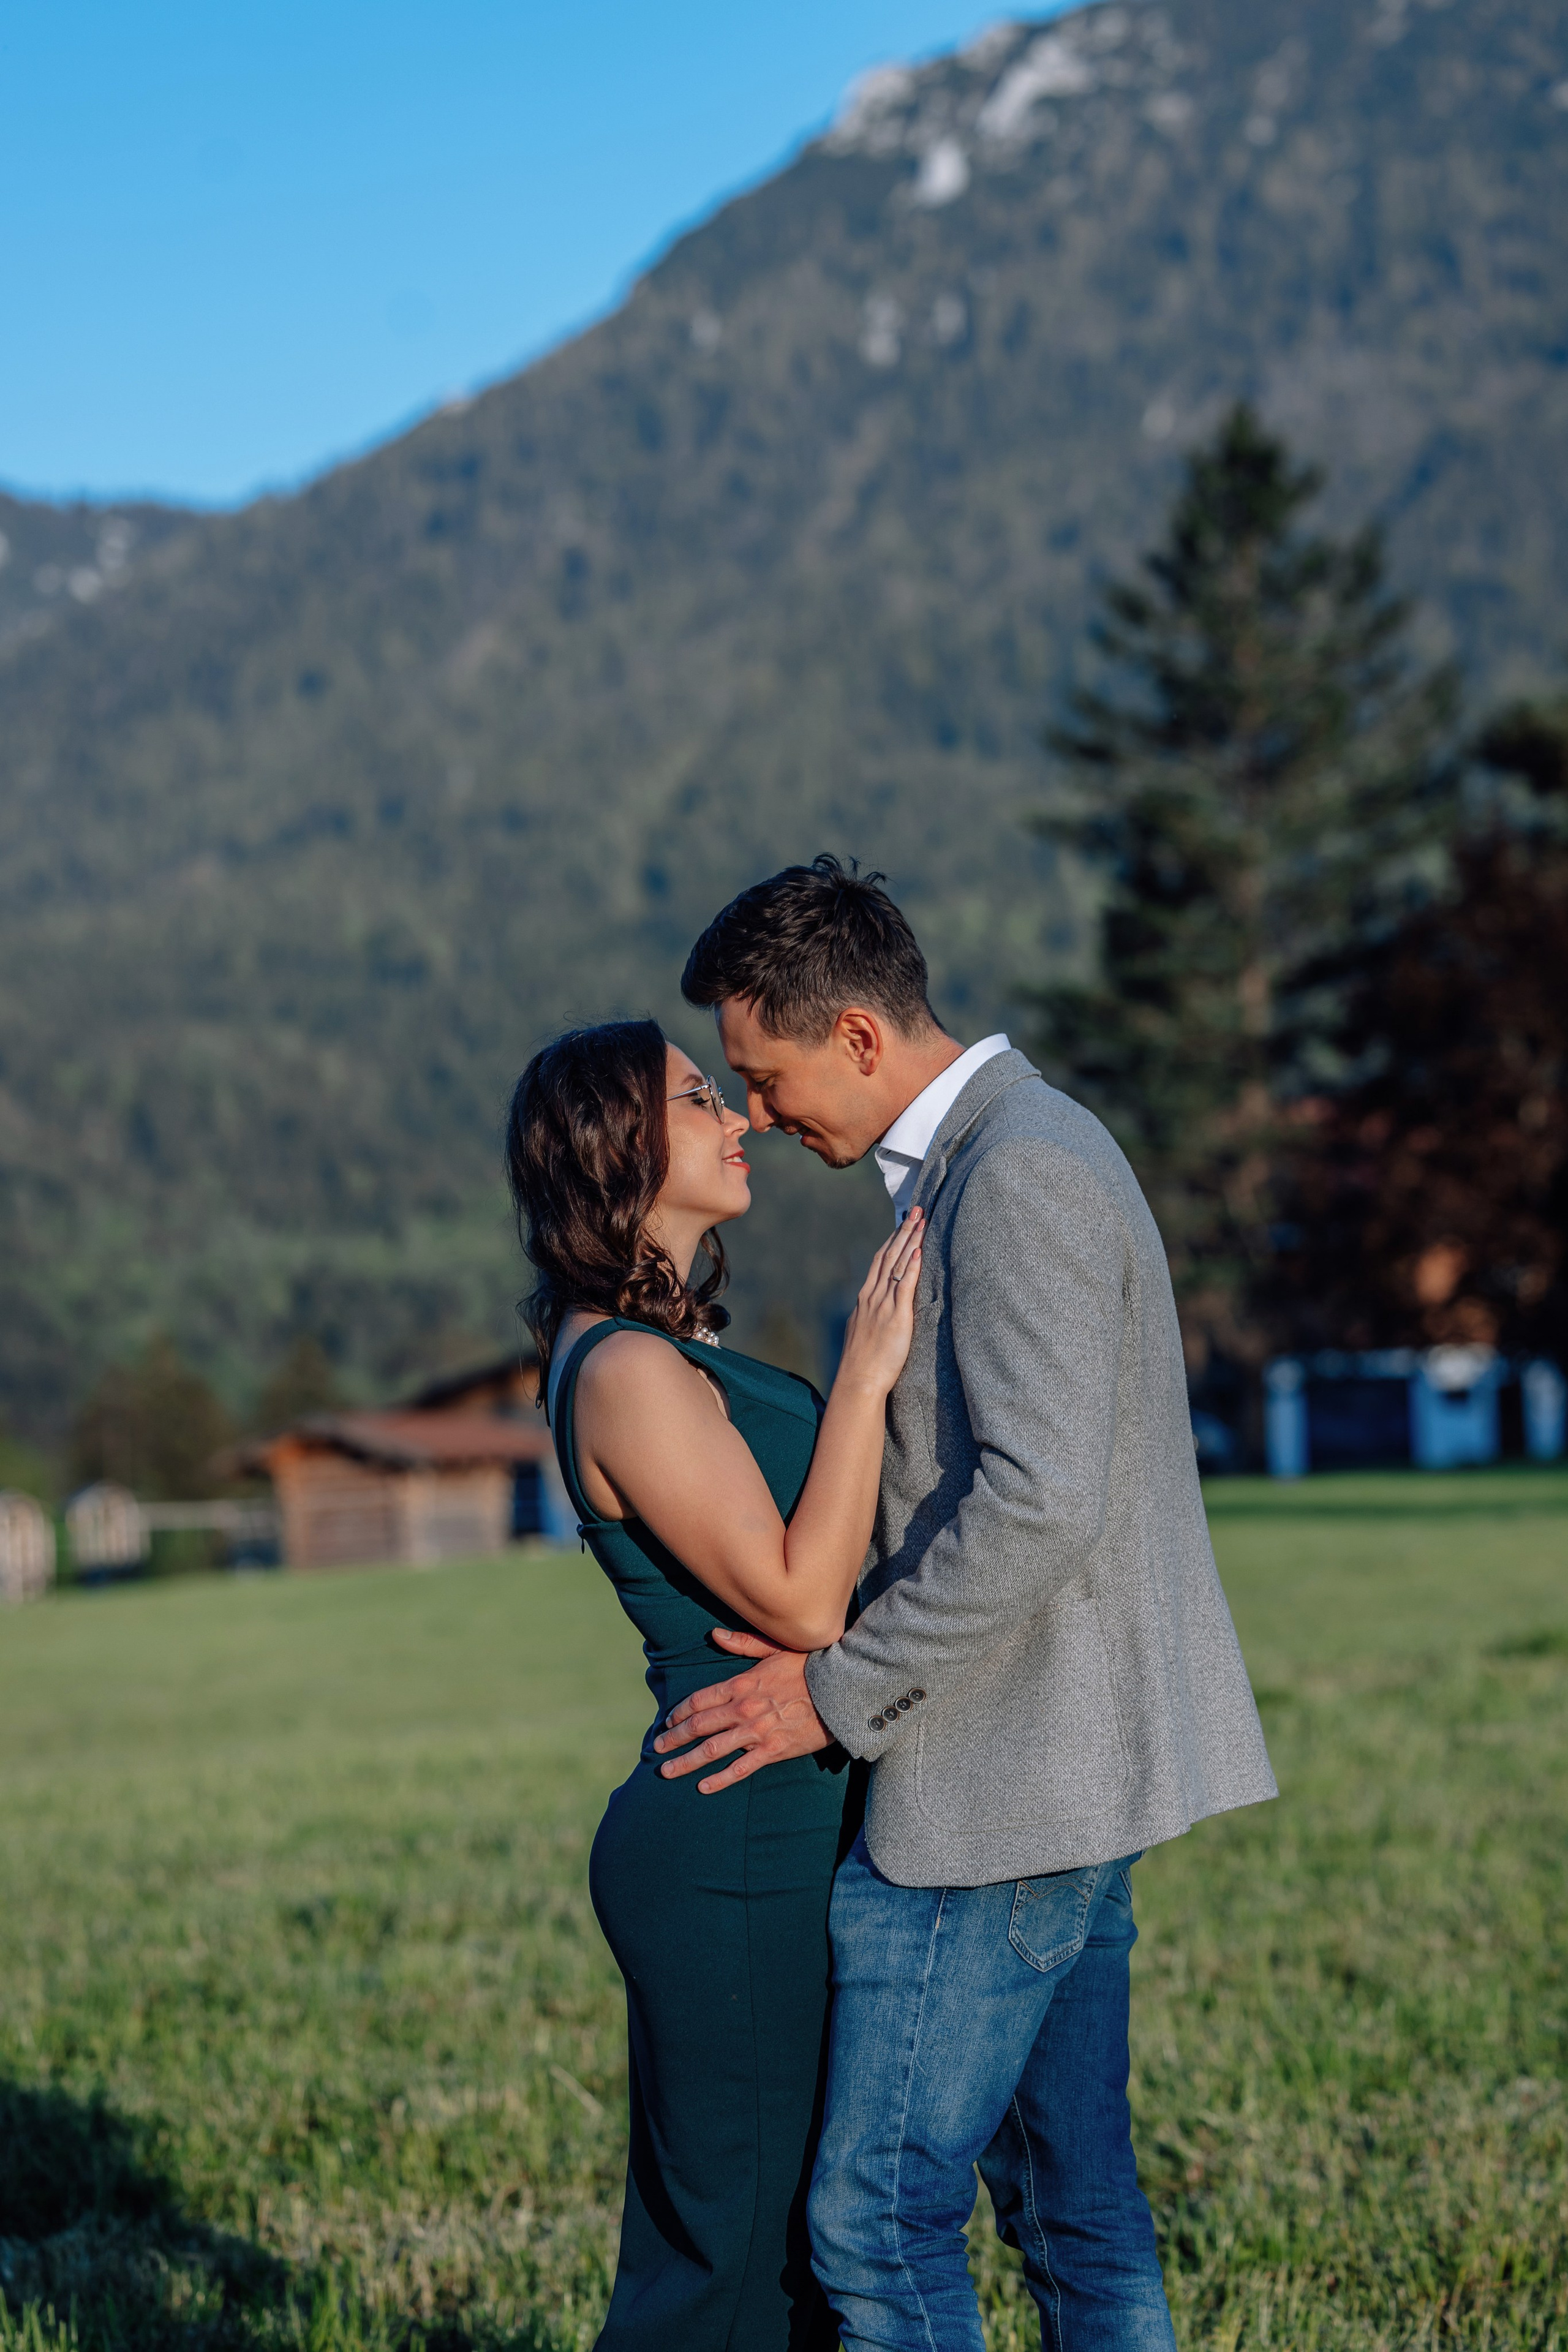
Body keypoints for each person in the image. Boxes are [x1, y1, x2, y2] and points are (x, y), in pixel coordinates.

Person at [657, 856, 1278, 2352]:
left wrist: (830, 1689)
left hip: (1001, 1790)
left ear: (859, 1037)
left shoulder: (1025, 1171)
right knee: (1075, 2213)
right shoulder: (991, 1159)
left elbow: (1039, 1499)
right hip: (1049, 1779)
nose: (750, 1110)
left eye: (764, 1072)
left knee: (874, 2223)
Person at [504, 1016, 925, 2352]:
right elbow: (800, 1597)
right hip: (733, 1827)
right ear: (619, 1147)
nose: (736, 1114)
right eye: (698, 1098)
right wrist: (863, 1373)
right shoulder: (625, 1370)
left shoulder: (653, 1346)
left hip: (777, 1812)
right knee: (734, 2263)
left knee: (782, 2238)